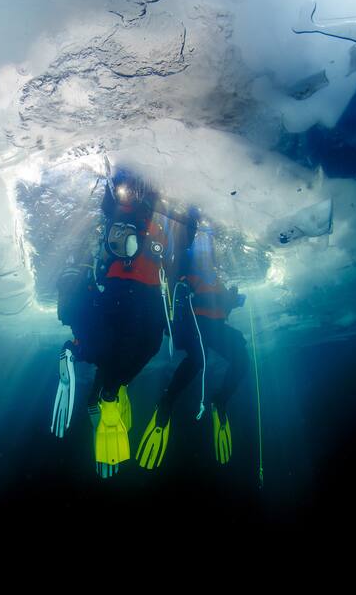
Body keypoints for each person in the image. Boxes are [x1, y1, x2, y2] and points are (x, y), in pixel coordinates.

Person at [52, 164, 196, 478]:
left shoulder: (154, 217)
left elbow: (181, 238)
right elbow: (113, 203)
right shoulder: (126, 208)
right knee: (143, 344)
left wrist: (186, 220)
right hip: (131, 289)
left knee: (129, 345)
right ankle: (108, 392)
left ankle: (80, 355)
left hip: (131, 289)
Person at [136, 223, 249, 469]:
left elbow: (219, 306)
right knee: (198, 359)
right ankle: (166, 403)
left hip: (215, 326)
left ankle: (220, 400)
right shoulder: (185, 263)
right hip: (193, 324)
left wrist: (232, 301)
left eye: (208, 247)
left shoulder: (215, 274)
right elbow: (181, 293)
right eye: (203, 245)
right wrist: (223, 298)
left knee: (241, 359)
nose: (207, 251)